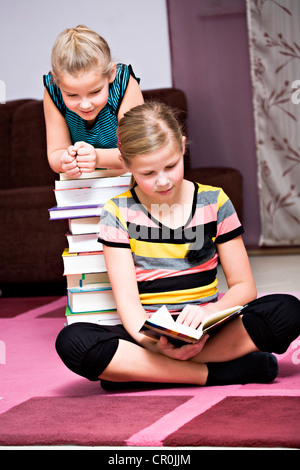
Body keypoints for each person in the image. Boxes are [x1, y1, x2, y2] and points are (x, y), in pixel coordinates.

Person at [55, 102, 300, 388]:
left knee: (287, 310)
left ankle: (143, 373)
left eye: (171, 166)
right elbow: (129, 305)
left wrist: (209, 313)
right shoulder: (117, 211)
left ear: (183, 147)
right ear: (125, 162)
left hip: (209, 330)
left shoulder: (215, 201)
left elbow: (244, 286)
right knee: (73, 341)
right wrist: (157, 346)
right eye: (147, 173)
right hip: (148, 338)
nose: (162, 182)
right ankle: (216, 373)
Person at [43, 25, 144, 178]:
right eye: (72, 95)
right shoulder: (53, 91)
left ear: (111, 74)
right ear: (57, 81)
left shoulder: (124, 84)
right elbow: (55, 153)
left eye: (95, 92)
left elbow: (138, 152)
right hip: (83, 185)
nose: (85, 105)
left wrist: (97, 158)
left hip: (128, 178)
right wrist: (65, 160)